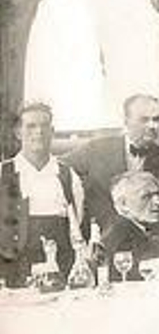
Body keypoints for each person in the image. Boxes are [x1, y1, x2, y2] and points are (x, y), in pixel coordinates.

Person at [1, 103, 91, 287]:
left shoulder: (68, 175)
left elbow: (77, 224)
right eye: (31, 126)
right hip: (14, 278)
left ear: (52, 131)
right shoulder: (3, 173)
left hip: (60, 276)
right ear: (18, 132)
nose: (38, 132)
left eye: (44, 126)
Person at [66, 93, 159, 230]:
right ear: (126, 121)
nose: (152, 126)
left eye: (156, 120)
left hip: (147, 242)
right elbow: (58, 169)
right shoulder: (97, 149)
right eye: (144, 120)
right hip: (103, 238)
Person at [99, 171, 159, 282]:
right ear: (123, 204)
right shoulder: (120, 235)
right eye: (146, 196)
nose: (158, 202)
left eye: (158, 194)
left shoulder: (136, 228)